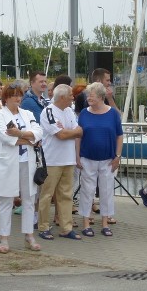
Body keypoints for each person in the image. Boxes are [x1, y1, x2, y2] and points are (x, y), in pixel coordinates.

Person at [0, 82, 43, 253]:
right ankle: (4, 238)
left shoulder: (27, 114)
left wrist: (21, 134)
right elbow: (7, 139)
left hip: (27, 160)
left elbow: (38, 133)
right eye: (14, 95)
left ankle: (29, 235)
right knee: (6, 199)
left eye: (19, 95)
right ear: (6, 98)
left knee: (29, 198)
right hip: (8, 162)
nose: (18, 98)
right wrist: (29, 139)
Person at [76, 82, 123, 237]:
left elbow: (119, 135)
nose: (89, 97)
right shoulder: (83, 113)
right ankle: (86, 223)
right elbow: (78, 136)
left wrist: (117, 156)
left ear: (101, 97)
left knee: (107, 190)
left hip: (108, 159)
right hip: (87, 158)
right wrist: (77, 156)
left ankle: (104, 223)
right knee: (86, 190)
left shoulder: (113, 114)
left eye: (92, 95)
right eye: (88, 95)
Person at [38, 84, 82, 240]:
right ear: (63, 97)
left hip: (68, 159)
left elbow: (80, 131)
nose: (73, 97)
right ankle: (43, 226)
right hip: (52, 160)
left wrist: (68, 131)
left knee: (66, 195)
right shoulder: (48, 111)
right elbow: (61, 135)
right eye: (70, 94)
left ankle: (66, 228)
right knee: (47, 195)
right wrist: (71, 132)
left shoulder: (70, 111)